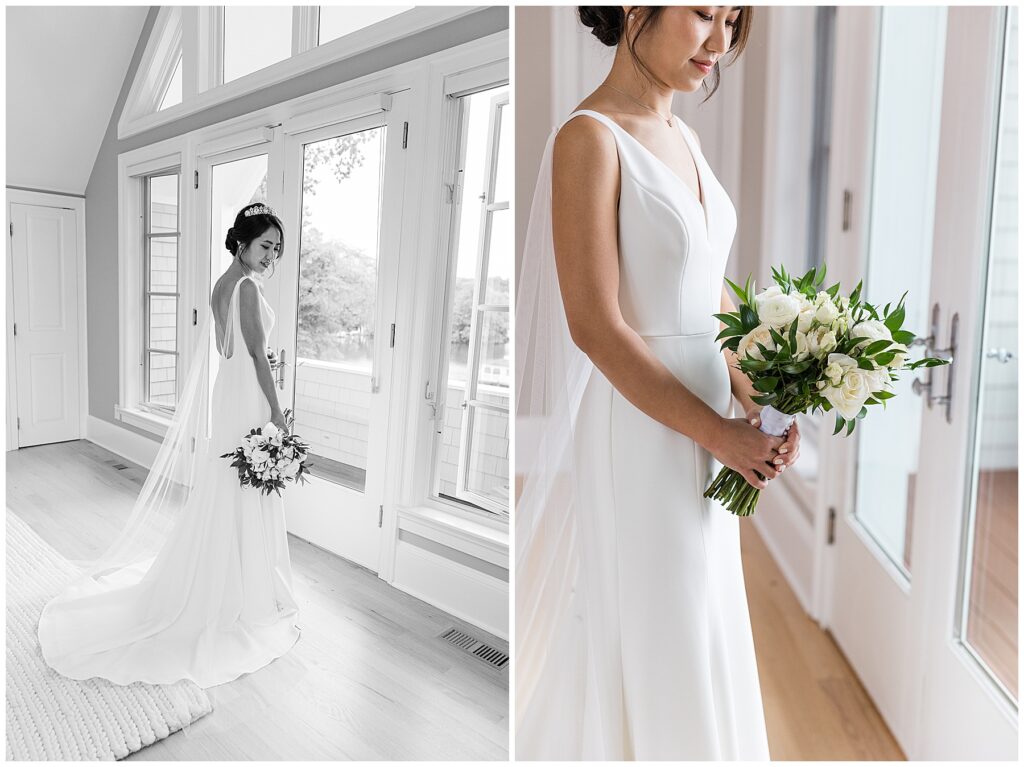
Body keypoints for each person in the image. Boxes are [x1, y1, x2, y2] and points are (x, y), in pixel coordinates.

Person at [515, 7, 801, 759]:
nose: (720, 42)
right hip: (642, 435)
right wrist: (723, 435)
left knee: (703, 610)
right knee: (659, 618)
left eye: (734, 18)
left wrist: (757, 403)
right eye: (704, 12)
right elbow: (595, 326)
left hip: (713, 429)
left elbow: (706, 305)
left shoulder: (686, 138)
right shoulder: (590, 138)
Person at [38, 203, 301, 688]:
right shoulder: (245, 288)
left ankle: (236, 579)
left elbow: (229, 352)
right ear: (242, 243)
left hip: (230, 396)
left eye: (278, 249)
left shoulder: (221, 284)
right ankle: (245, 593)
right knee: (245, 488)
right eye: (266, 245)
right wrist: (278, 413)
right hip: (246, 397)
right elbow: (259, 359)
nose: (272, 256)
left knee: (232, 487)